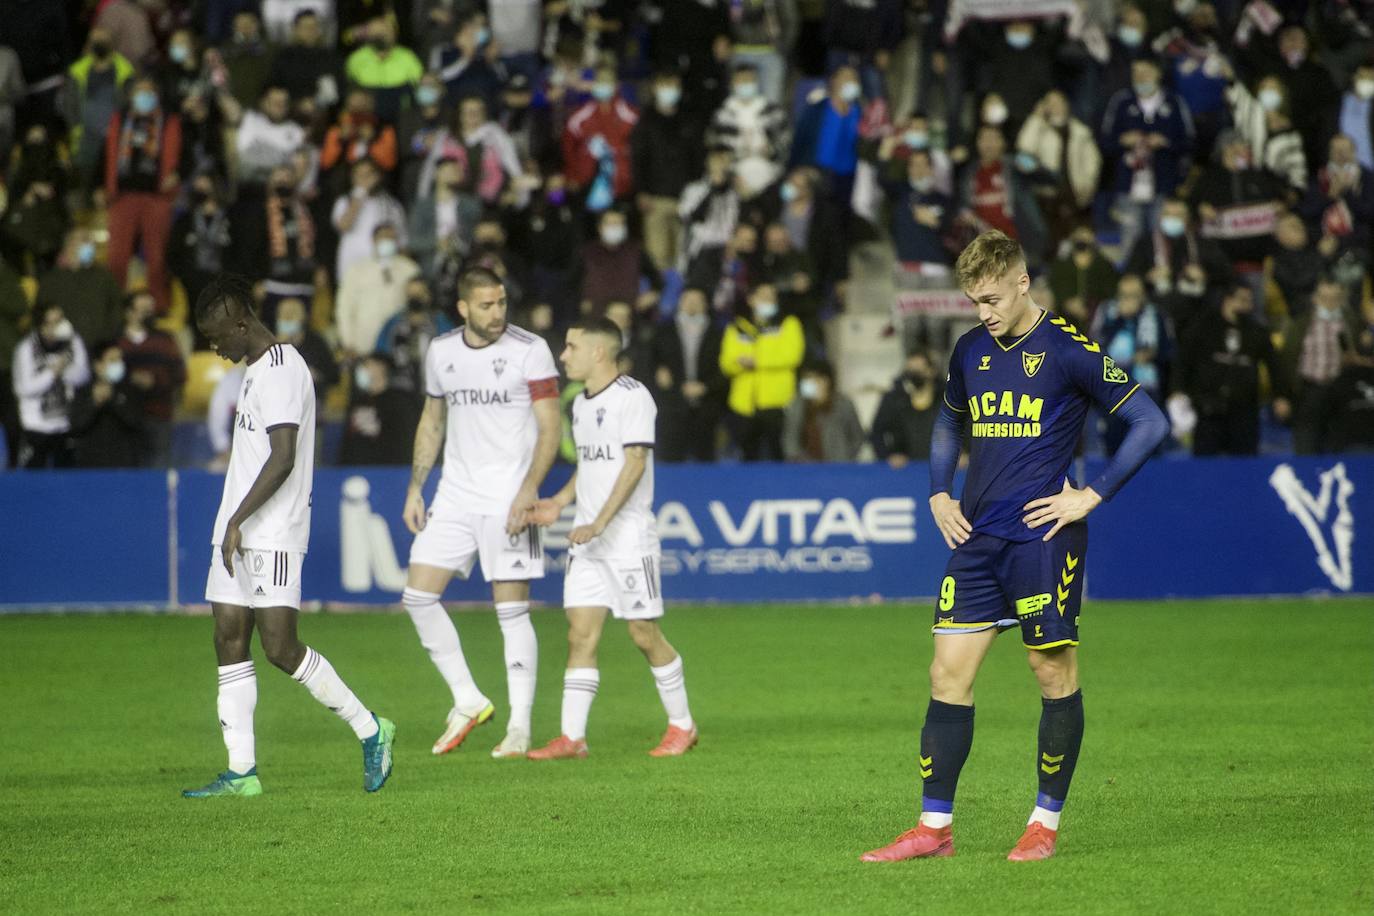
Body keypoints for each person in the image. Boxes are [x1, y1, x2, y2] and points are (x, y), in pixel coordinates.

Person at [860, 230, 1168, 863]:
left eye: (993, 299)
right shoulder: (970, 348)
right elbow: (950, 419)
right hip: (977, 538)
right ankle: (934, 828)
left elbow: (1150, 421)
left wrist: (1093, 495)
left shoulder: (1068, 349)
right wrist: (938, 493)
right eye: (974, 301)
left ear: (1023, 283)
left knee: (1050, 672)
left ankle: (1044, 824)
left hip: (1043, 537)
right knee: (946, 674)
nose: (984, 313)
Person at [184, 274, 395, 799]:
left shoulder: (282, 369)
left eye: (217, 336)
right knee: (227, 637)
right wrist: (230, 523)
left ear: (240, 322)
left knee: (280, 647)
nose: (214, 348)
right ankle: (242, 772)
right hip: (236, 527)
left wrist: (237, 520)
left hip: (272, 530)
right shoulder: (255, 369)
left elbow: (283, 459)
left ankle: (371, 729)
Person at [401, 267, 562, 758]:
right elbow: (433, 419)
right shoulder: (442, 352)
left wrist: (529, 490)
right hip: (454, 494)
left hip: (509, 497)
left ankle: (519, 728)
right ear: (464, 308)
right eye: (487, 306)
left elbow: (551, 426)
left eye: (502, 303)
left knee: (511, 612)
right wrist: (416, 487)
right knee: (417, 598)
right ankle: (468, 698)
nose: (498, 314)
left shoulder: (529, 350)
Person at [526, 316, 698, 760]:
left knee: (643, 633)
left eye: (570, 347)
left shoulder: (633, 397)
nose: (563, 355)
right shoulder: (581, 404)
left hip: (626, 538)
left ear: (598, 352)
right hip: (590, 538)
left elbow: (635, 462)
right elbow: (590, 464)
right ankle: (573, 737)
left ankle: (683, 725)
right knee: (579, 635)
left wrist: (600, 521)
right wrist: (561, 502)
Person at [1175, 283, 1290, 456]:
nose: (1247, 306)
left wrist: (1281, 395)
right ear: (1227, 300)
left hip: (1244, 411)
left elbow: (1274, 365)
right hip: (1209, 409)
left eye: (1250, 301)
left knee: (1244, 467)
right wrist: (1177, 390)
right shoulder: (1204, 327)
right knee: (1206, 467)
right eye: (1242, 300)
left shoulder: (1256, 331)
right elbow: (1183, 360)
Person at [104, 77, 182, 314]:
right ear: (131, 96)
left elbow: (182, 155)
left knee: (156, 256)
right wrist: (103, 187)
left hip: (156, 197)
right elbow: (106, 154)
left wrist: (176, 174)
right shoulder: (120, 119)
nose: (144, 96)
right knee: (117, 256)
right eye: (140, 91)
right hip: (124, 196)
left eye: (150, 91)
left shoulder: (169, 121)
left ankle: (158, 307)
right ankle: (115, 305)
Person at [720, 283, 805, 461]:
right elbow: (726, 363)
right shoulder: (737, 328)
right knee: (747, 457)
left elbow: (793, 356)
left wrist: (757, 362)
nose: (769, 301)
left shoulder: (788, 324)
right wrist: (740, 364)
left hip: (777, 402)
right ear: (751, 299)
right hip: (743, 403)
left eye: (772, 297)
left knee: (777, 454)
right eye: (763, 296)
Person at [11, 302, 90, 468]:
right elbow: (23, 388)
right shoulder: (26, 349)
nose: (58, 326)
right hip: (35, 426)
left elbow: (83, 376)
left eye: (60, 320)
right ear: (42, 326)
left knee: (66, 479)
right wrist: (51, 373)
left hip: (65, 426)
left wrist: (64, 371)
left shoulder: (73, 341)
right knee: (33, 480)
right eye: (52, 322)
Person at [652, 287, 725, 463]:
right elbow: (651, 361)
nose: (692, 304)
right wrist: (659, 371)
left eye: (697, 300)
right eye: (687, 299)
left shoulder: (719, 333)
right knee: (670, 461)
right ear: (679, 302)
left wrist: (705, 387)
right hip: (672, 405)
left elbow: (726, 368)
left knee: (705, 463)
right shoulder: (663, 330)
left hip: (707, 405)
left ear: (706, 305)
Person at [117, 291, 186, 468]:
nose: (148, 314)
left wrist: (155, 381)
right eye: (143, 310)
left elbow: (180, 374)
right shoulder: (116, 342)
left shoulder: (166, 340)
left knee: (159, 471)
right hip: (123, 419)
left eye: (150, 310)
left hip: (159, 416)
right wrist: (131, 379)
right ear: (129, 312)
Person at [335, 223, 421, 360]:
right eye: (383, 238)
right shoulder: (356, 271)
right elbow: (344, 308)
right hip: (363, 345)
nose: (387, 241)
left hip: (399, 343)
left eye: (391, 238)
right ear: (373, 240)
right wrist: (348, 342)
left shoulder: (409, 269)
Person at [71, 342, 147, 468]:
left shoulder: (130, 390)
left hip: (124, 467)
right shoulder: (83, 392)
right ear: (98, 365)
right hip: (90, 467)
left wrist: (113, 398)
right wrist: (94, 403)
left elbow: (135, 421)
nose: (119, 364)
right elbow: (76, 425)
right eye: (113, 360)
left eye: (120, 359)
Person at [339, 354, 419, 465]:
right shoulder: (357, 402)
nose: (362, 370)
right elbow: (347, 440)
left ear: (381, 368)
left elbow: (404, 441)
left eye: (367, 365)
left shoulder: (398, 402)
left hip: (386, 471)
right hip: (356, 471)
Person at [870, 350, 942, 467]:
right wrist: (888, 456)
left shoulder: (949, 400)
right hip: (905, 472)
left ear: (931, 371)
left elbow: (969, 428)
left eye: (919, 369)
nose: (914, 374)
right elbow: (876, 433)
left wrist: (964, 452)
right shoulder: (893, 400)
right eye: (910, 369)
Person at [782, 361, 865, 462]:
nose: (808, 383)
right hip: (805, 469)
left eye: (813, 378)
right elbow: (790, 439)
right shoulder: (797, 405)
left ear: (826, 380)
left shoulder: (843, 404)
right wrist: (799, 461)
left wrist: (847, 458)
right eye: (805, 379)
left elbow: (857, 437)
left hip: (838, 466)